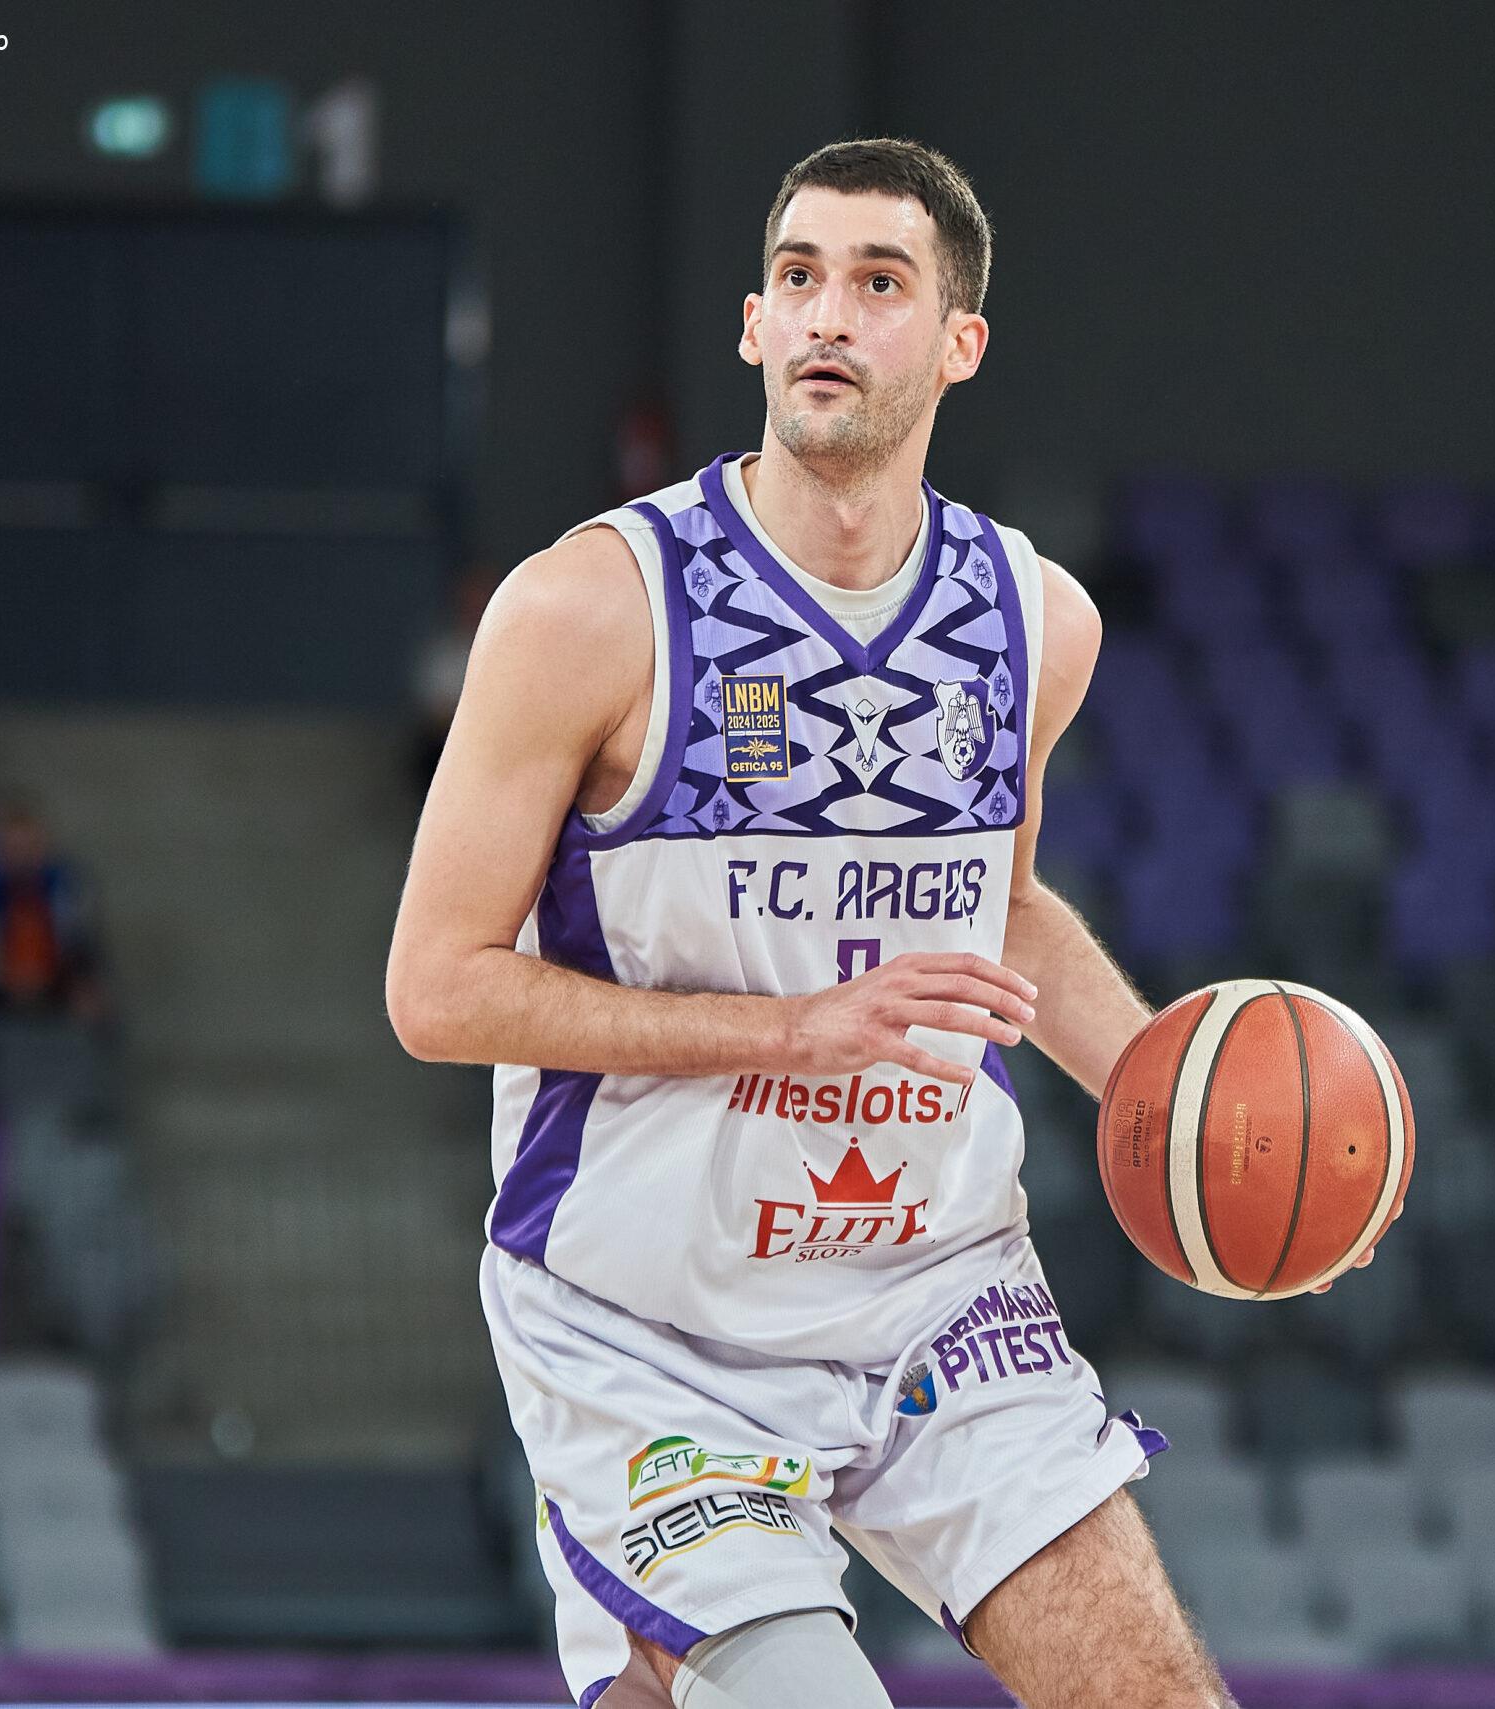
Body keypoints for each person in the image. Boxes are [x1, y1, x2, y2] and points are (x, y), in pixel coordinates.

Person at [388, 140, 1381, 1709]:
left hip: (936, 1295)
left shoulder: (1036, 620)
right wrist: (788, 1029)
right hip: (655, 1326)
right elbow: (438, 990)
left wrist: (1192, 1118)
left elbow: (1006, 908)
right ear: (752, 326)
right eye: (797, 278)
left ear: (960, 342)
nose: (828, 314)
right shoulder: (589, 610)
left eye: (877, 282)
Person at [0, 795, 108, 1028]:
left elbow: (80, 944)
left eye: (29, 847)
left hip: (56, 986)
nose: (22, 857)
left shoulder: (65, 888)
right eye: (13, 848)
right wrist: (7, 976)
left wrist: (66, 980)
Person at [410, 561, 501, 798]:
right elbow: (437, 714)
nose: (476, 605)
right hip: (454, 744)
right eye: (470, 599)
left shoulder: (514, 646)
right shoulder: (444, 651)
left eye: (483, 596)